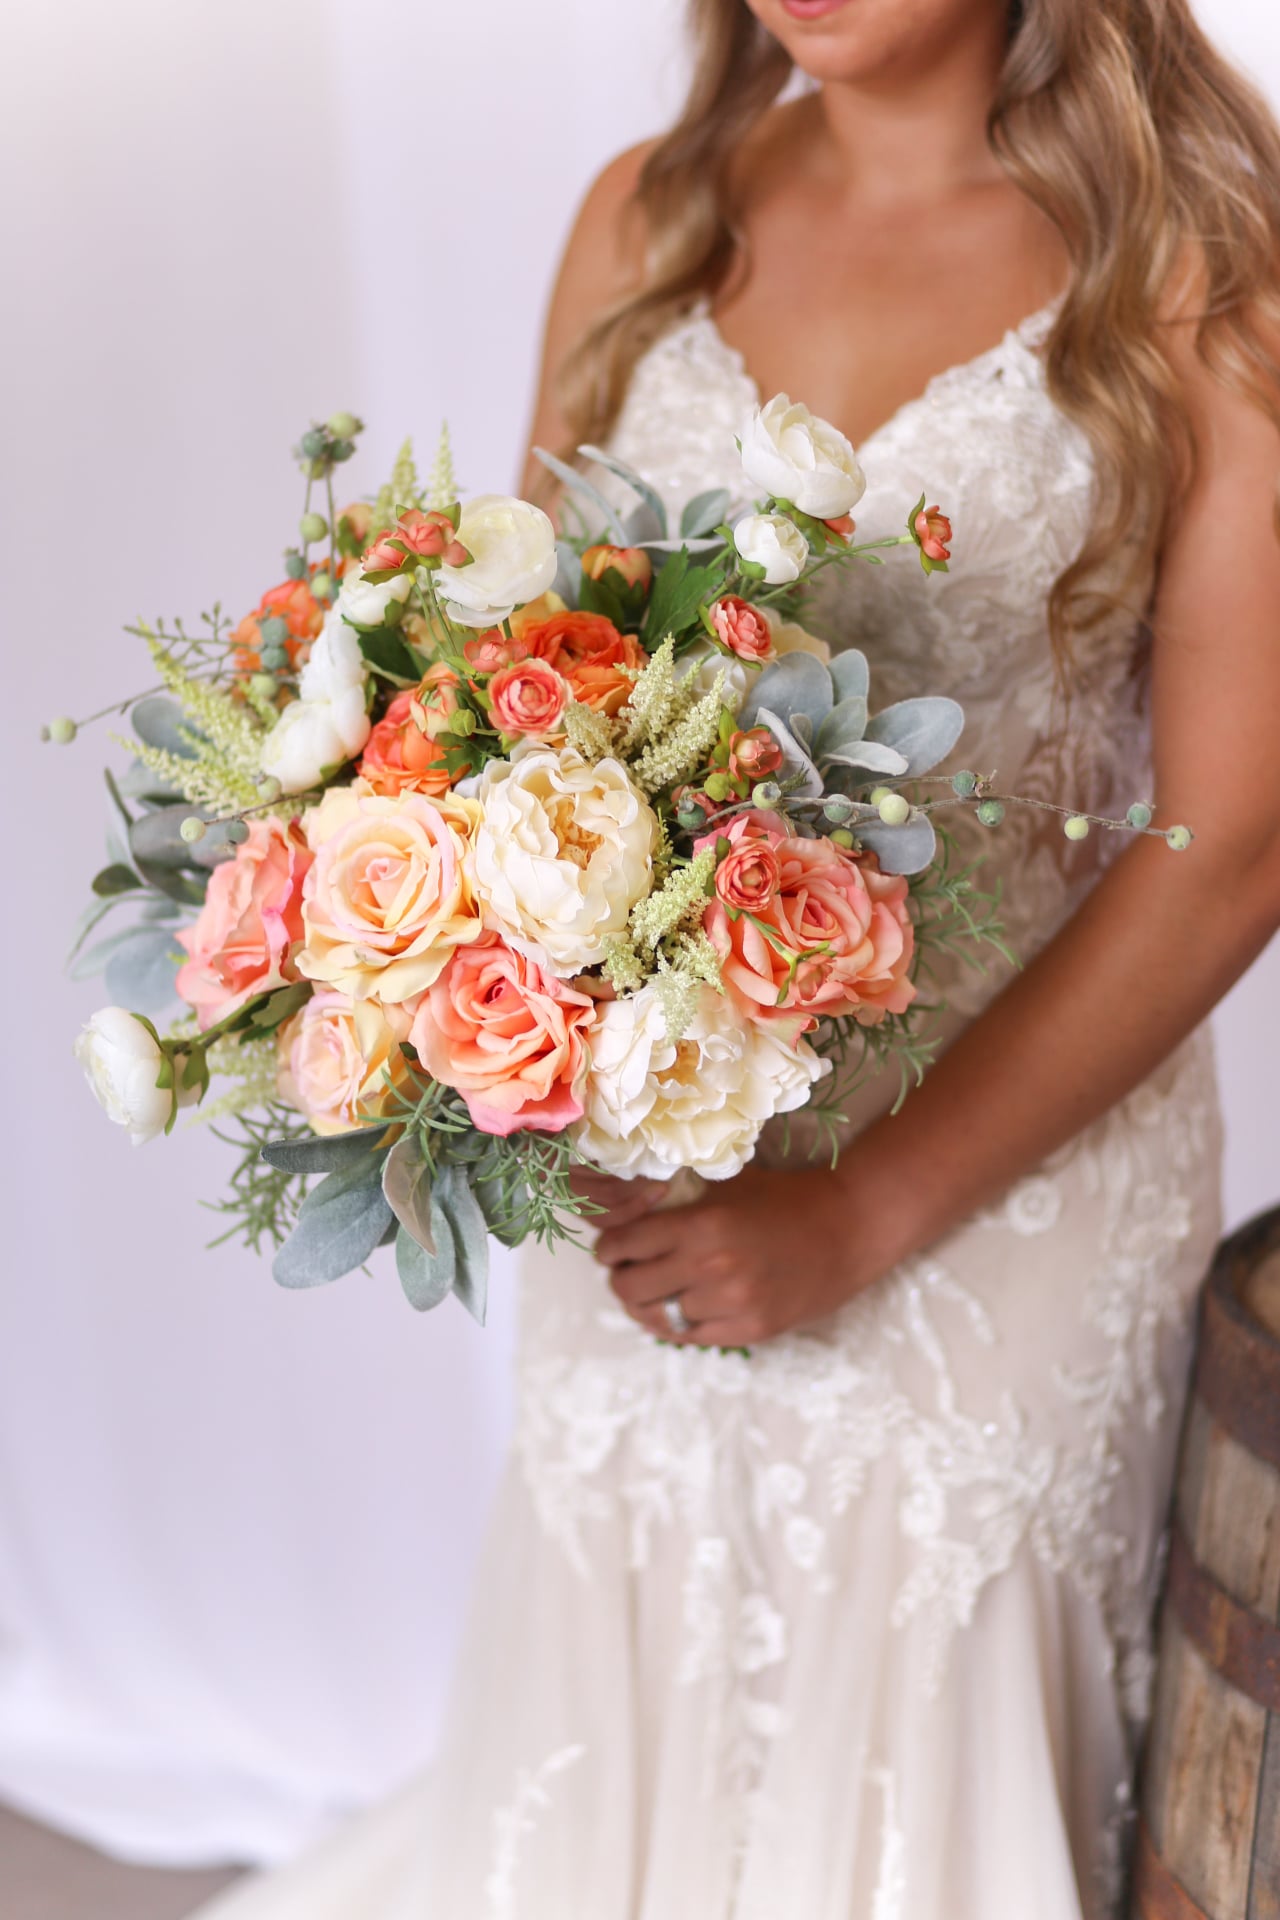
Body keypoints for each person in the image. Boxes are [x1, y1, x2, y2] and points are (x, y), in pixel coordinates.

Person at [195, 1, 1280, 1914]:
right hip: (662, 1162)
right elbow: (515, 690)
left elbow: (1231, 845)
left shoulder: (1197, 264)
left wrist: (865, 1210)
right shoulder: (653, 218)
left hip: (1006, 1196)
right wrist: (515, 1035)